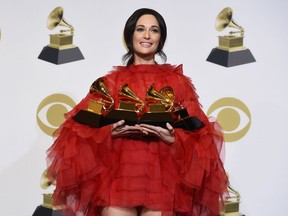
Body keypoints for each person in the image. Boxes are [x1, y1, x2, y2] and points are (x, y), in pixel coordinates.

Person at [46, 8, 229, 216]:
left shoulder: (178, 83)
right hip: (117, 180)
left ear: (161, 38)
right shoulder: (110, 83)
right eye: (141, 29)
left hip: (162, 182)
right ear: (130, 34)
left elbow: (201, 135)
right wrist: (107, 133)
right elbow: (75, 130)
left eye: (154, 30)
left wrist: (174, 137)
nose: (147, 36)